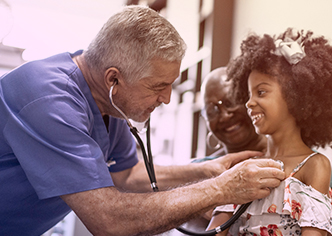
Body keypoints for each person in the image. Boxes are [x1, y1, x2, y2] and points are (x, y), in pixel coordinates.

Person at [0, 6, 286, 236]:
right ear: (114, 78)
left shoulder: (110, 102)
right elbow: (108, 220)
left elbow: (127, 175)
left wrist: (208, 171)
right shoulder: (48, 99)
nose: (167, 99)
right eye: (158, 86)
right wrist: (221, 188)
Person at [207, 28, 332, 235]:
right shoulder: (245, 168)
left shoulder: (314, 166)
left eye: (261, 92)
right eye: (249, 94)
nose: (249, 102)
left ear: (296, 97)